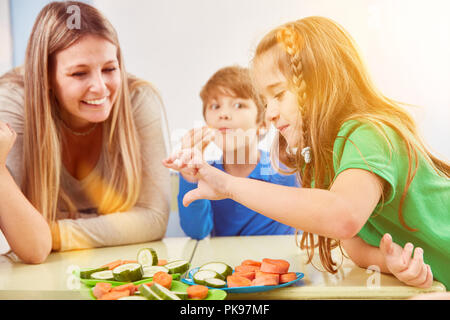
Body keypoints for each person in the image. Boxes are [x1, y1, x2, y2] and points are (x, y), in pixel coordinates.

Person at [165, 17, 450, 289]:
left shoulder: (368, 132)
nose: (272, 113)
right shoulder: (322, 162)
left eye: (278, 95)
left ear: (321, 84)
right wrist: (388, 261)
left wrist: (228, 186)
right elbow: (355, 246)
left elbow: (343, 217)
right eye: (266, 102)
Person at [0, 1, 170, 264]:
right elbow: (32, 247)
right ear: (45, 77)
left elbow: (154, 218)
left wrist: (53, 232)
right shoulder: (14, 102)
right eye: (79, 73)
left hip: (119, 265)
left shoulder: (137, 99)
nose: (100, 88)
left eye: (110, 69)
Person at [164, 66, 298, 239]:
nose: (224, 114)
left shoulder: (286, 172)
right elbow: (197, 232)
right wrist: (191, 178)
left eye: (238, 105)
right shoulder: (205, 175)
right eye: (215, 106)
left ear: (263, 123)